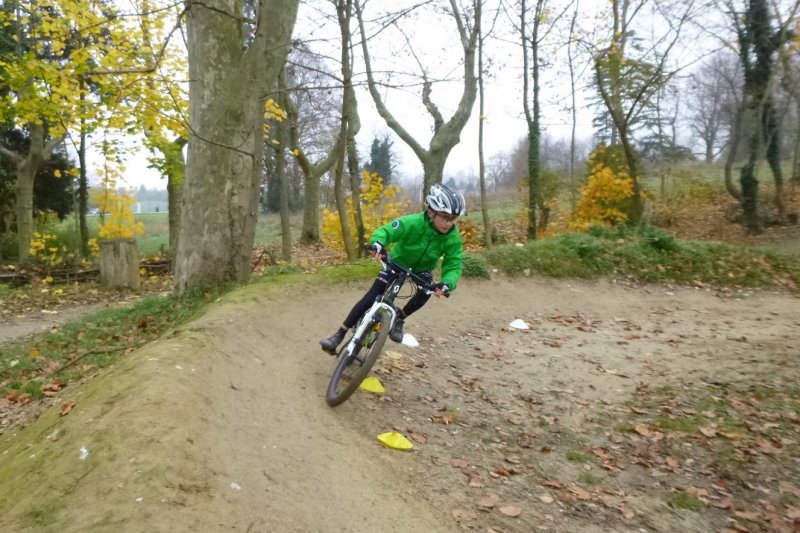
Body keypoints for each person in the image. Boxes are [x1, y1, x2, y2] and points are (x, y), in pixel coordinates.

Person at [320, 183, 466, 354]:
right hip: (397, 262)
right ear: (431, 211)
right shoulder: (413, 222)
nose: (449, 223)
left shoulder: (453, 239)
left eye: (453, 218)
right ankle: (339, 334)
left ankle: (399, 318)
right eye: (445, 217)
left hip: (422, 270)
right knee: (374, 293)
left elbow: (454, 264)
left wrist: (447, 283)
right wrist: (378, 244)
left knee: (426, 291)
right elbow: (386, 231)